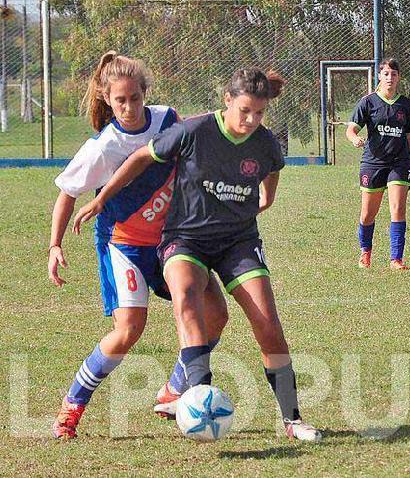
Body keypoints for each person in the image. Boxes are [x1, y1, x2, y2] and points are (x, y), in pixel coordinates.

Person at [72, 68, 322, 442]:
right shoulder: (195, 131)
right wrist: (103, 198)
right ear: (227, 101)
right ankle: (198, 396)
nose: (251, 120)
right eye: (244, 111)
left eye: (259, 113)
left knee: (267, 323)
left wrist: (267, 197)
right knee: (187, 297)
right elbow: (142, 156)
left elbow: (273, 169)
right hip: (185, 240)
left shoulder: (265, 141)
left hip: (238, 242)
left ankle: (292, 419)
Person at [48, 51, 229, 440]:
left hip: (171, 241)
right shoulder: (104, 147)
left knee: (215, 312)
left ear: (146, 92)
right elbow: (67, 192)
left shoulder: (166, 119)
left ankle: (175, 389)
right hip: (124, 245)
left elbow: (190, 155)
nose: (129, 107)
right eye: (120, 100)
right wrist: (55, 245)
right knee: (129, 329)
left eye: (135, 97)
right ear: (107, 100)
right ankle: (72, 407)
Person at [345, 58, 410, 270]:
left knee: (398, 208)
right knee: (368, 213)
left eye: (393, 74)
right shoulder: (368, 102)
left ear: (398, 78)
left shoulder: (406, 105)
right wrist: (354, 139)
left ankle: (396, 259)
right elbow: (350, 130)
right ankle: (365, 252)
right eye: (386, 74)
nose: (390, 78)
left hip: (399, 162)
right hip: (373, 163)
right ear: (379, 76)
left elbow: (409, 134)